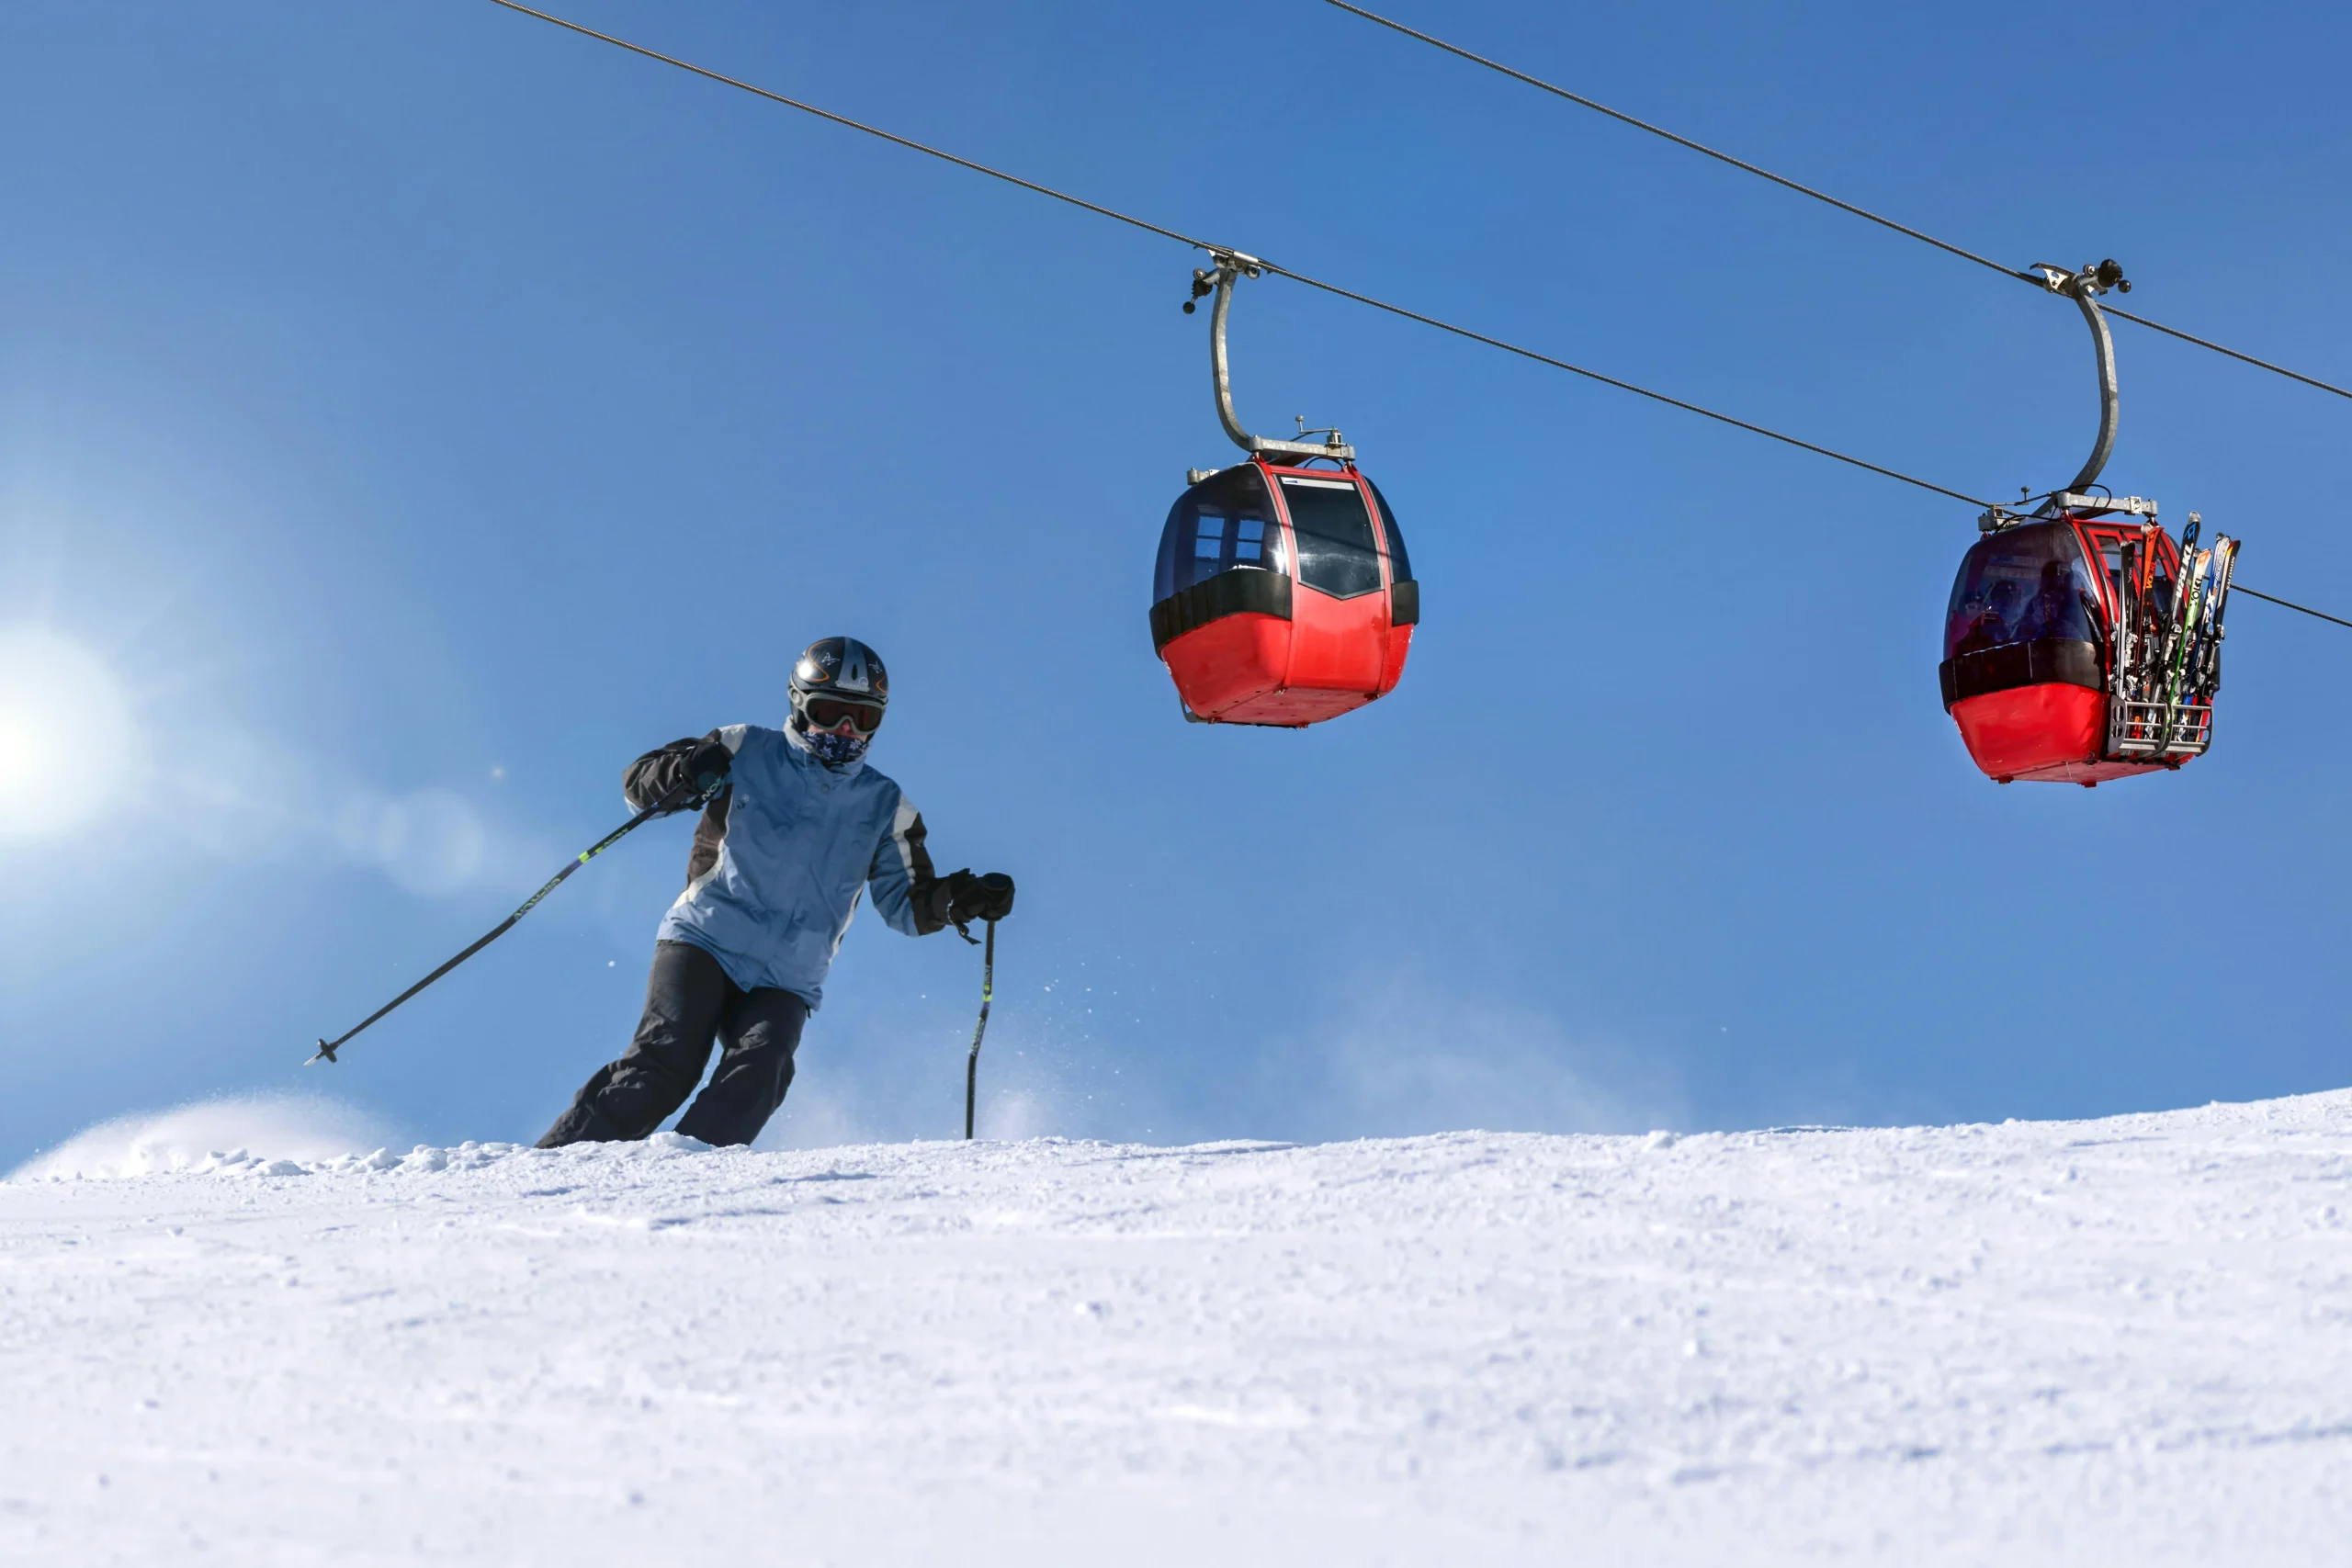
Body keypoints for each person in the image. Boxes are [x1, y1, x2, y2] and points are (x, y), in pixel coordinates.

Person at [537, 636, 1015, 1149]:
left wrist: (961, 898)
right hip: (704, 938)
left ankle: (685, 1177)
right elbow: (641, 787)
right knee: (666, 1063)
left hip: (787, 976)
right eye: (830, 712)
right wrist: (688, 771)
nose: (845, 731)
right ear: (799, 703)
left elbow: (909, 907)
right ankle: (556, 1166)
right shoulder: (744, 747)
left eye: (862, 718)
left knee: (762, 1070)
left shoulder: (885, 805)